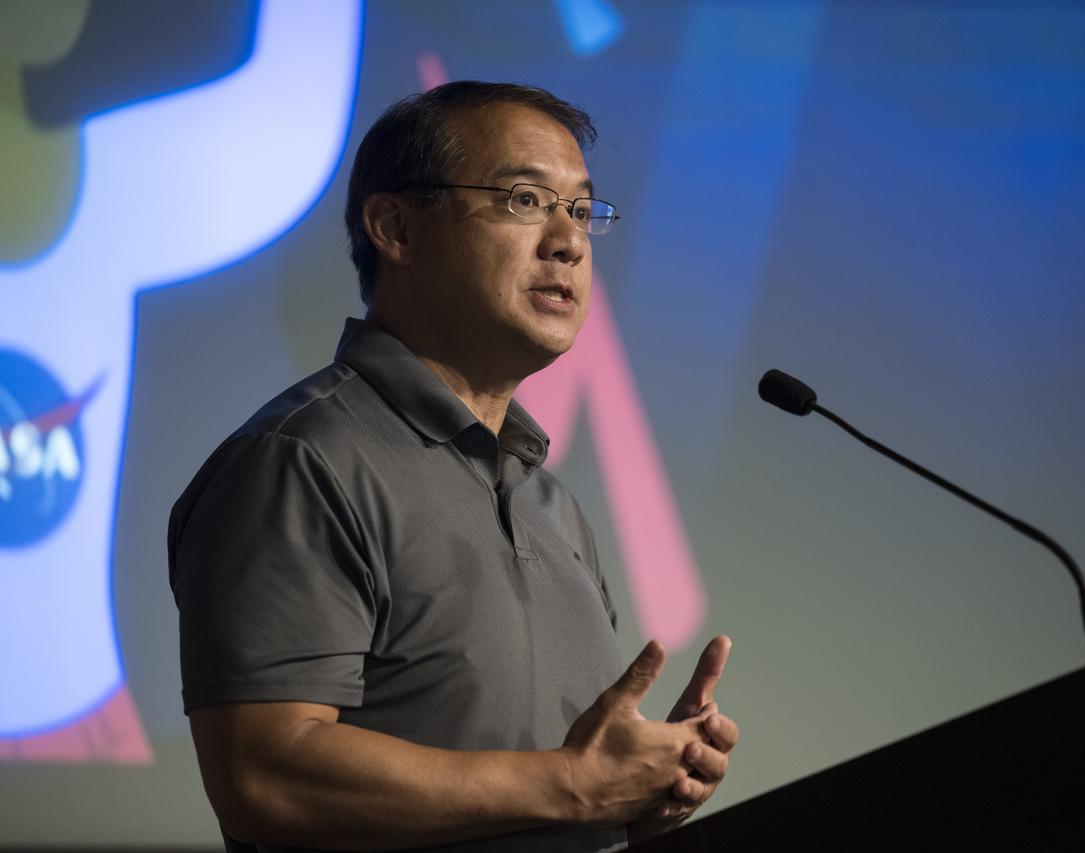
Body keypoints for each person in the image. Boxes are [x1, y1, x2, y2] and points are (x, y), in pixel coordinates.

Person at [168, 81, 739, 853]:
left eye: (580, 211)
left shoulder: (553, 504)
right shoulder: (300, 463)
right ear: (394, 226)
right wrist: (575, 784)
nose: (569, 241)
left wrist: (636, 791)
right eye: (526, 200)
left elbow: (542, 790)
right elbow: (266, 773)